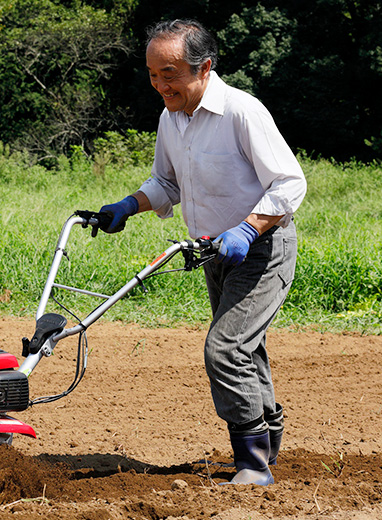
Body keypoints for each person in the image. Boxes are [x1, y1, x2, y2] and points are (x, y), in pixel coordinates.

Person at [99, 19, 307, 486]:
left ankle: (253, 464)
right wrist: (126, 206)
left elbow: (290, 182)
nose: (160, 85)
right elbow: (167, 184)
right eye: (153, 74)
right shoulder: (170, 119)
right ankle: (267, 443)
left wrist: (249, 229)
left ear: (204, 66)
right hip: (214, 252)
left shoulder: (241, 112)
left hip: (262, 248)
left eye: (169, 73)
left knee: (225, 349)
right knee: (244, 350)